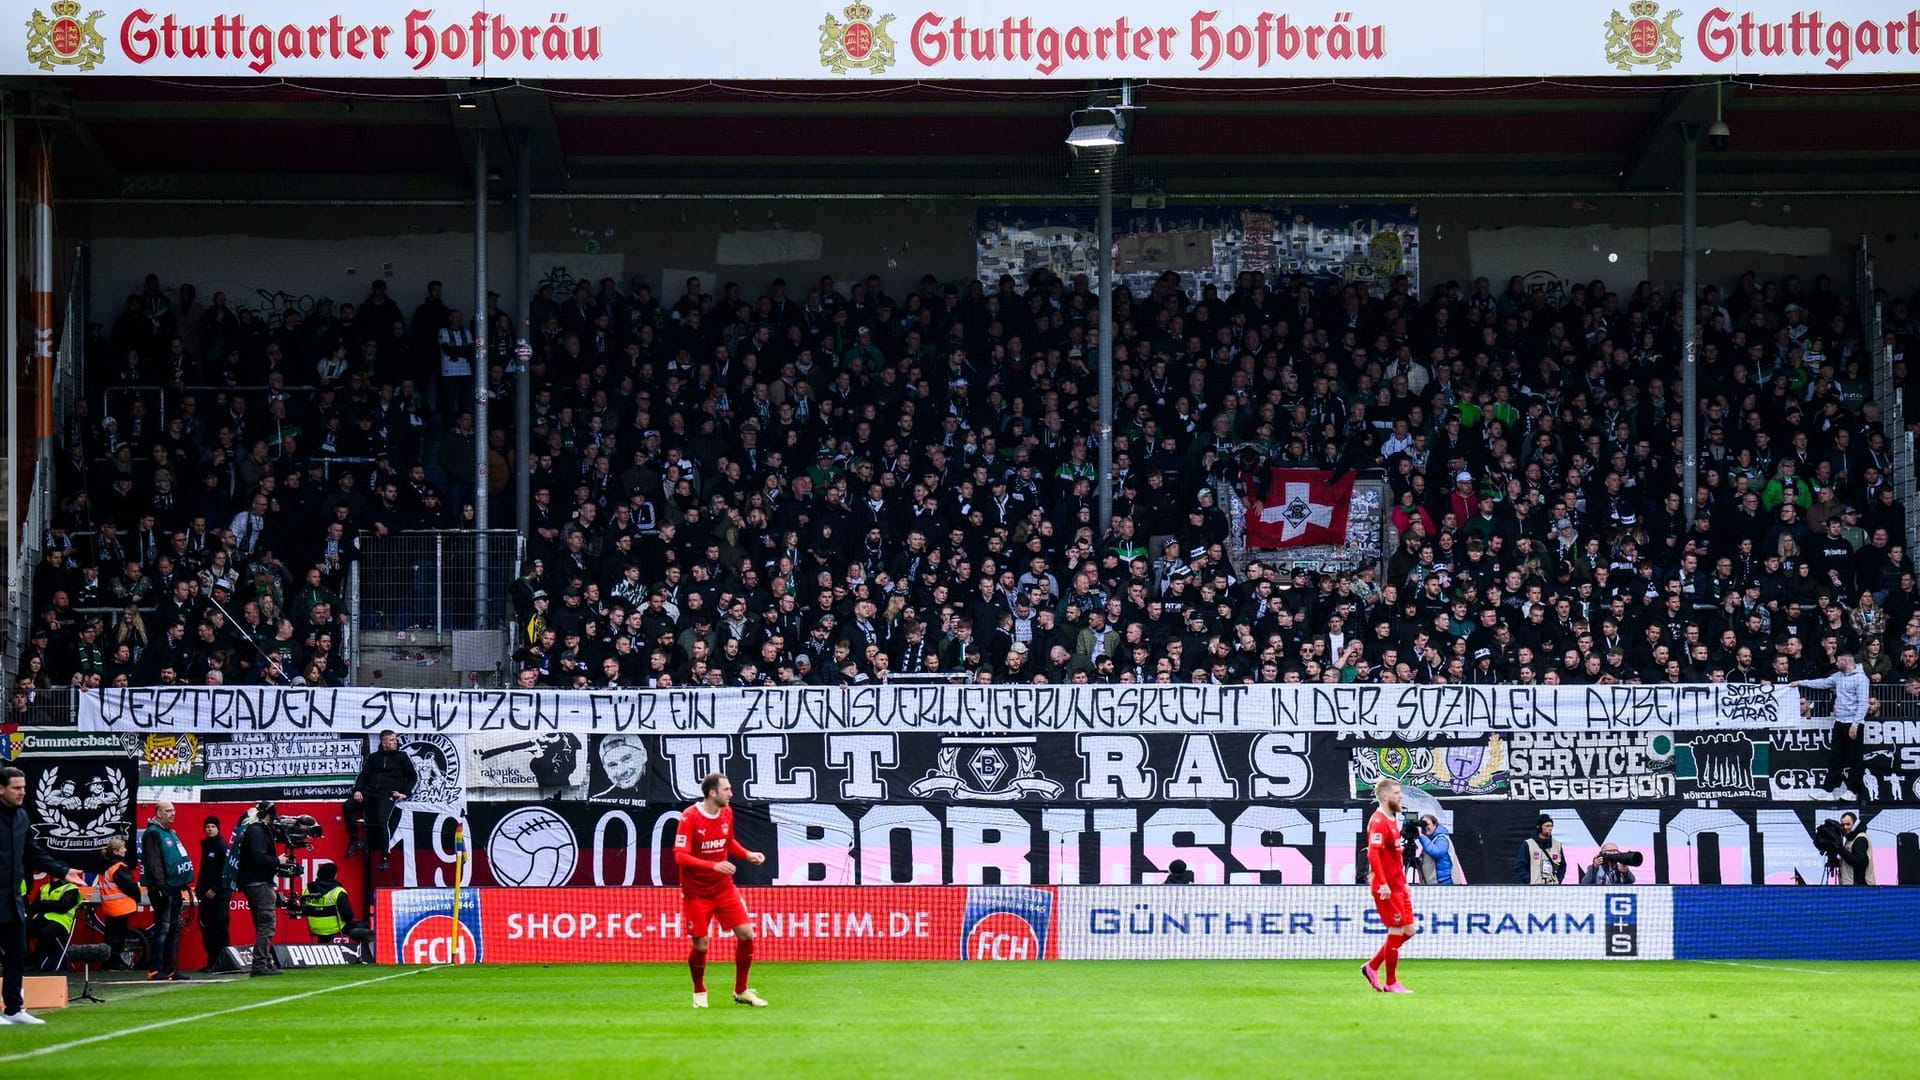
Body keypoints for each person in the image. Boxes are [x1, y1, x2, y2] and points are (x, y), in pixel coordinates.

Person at [673, 772, 767, 1009]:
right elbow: (680, 856)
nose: (731, 793)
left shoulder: (727, 812)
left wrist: (746, 854)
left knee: (746, 934)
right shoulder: (690, 817)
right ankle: (699, 991)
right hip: (696, 893)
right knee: (701, 945)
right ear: (712, 793)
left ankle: (741, 990)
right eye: (726, 789)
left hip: (723, 888)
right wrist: (713, 865)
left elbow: (728, 842)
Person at [2, 766, 85, 1025]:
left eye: (24, 788)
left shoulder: (22, 817)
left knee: (17, 954)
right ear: (1, 789)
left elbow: (34, 852)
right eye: (16, 788)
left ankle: (14, 1009)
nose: (22, 792)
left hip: (12, 899)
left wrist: (63, 870)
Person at [1361, 778, 1415, 993]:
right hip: (1387, 887)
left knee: (1409, 930)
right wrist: (1383, 884)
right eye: (1396, 793)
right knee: (1396, 929)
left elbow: (1394, 857)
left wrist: (1404, 882)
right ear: (1384, 796)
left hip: (1398, 885)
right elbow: (1373, 854)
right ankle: (1391, 982)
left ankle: (1372, 966)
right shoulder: (1378, 821)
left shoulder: (1392, 819)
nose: (1400, 796)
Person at [1797, 655, 1872, 803]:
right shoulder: (1838, 676)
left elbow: (1863, 703)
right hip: (1839, 722)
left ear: (1846, 661)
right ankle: (1829, 790)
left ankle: (1853, 790)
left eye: (1838, 661)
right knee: (1835, 757)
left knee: (1854, 758)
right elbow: (1823, 683)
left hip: (1853, 723)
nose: (1836, 663)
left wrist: (1855, 724)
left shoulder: (1861, 679)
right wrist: (1800, 682)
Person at [233, 802, 295, 976]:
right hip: (259, 883)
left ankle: (265, 962)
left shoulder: (255, 829)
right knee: (267, 924)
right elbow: (258, 857)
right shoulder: (258, 831)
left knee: (262, 924)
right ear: (269, 816)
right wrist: (277, 861)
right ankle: (260, 964)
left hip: (254, 882)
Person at [345, 730, 417, 871]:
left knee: (381, 821)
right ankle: (354, 840)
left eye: (395, 739)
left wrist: (405, 793)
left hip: (386, 794)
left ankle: (384, 858)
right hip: (369, 792)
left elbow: (413, 777)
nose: (395, 742)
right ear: (383, 743)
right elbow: (363, 776)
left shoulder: (402, 757)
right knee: (348, 807)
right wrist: (358, 790)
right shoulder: (374, 758)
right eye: (391, 740)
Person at [140, 800, 195, 981]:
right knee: (163, 929)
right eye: (168, 810)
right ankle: (155, 969)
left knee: (173, 929)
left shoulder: (169, 833)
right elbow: (154, 863)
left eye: (174, 810)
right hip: (163, 889)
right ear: (158, 813)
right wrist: (161, 886)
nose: (172, 813)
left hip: (174, 887)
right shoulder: (152, 833)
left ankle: (170, 969)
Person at [92, 836, 140, 970]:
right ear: (116, 851)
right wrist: (137, 897)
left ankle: (107, 962)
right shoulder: (119, 867)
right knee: (118, 937)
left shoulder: (104, 867)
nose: (125, 850)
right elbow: (130, 886)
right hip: (120, 907)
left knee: (110, 936)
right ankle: (114, 962)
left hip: (109, 907)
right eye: (123, 848)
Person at [197, 814, 231, 971]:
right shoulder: (206, 845)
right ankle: (211, 962)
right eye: (207, 827)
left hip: (219, 896)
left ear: (218, 829)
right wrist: (199, 890)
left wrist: (215, 889)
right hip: (205, 895)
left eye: (213, 827)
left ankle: (221, 963)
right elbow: (204, 872)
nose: (210, 829)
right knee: (207, 929)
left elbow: (226, 871)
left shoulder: (221, 846)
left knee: (219, 930)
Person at [25, 874, 81, 972]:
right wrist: (38, 914)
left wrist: (43, 903)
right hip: (42, 919)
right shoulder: (44, 887)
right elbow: (33, 907)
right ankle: (26, 961)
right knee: (23, 929)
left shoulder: (72, 888)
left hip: (61, 923)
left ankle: (36, 961)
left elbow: (62, 906)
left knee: (45, 932)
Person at [298, 863, 354, 941]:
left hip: (315, 929)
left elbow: (302, 910)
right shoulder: (338, 892)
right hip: (336, 929)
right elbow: (348, 916)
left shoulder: (306, 890)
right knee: (363, 926)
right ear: (334, 875)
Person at [1515, 814, 1568, 884]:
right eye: (1547, 826)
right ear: (1539, 827)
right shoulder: (1528, 844)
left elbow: (1562, 865)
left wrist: (1558, 880)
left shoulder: (1557, 845)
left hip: (1553, 887)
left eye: (1551, 826)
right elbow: (1520, 865)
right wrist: (1529, 880)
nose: (1550, 828)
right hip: (1535, 887)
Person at [1414, 814, 1455, 885]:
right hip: (1436, 882)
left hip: (1444, 883)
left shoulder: (1442, 839)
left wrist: (1421, 836)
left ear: (1435, 824)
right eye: (1423, 825)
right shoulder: (1430, 840)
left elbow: (1437, 852)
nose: (1425, 827)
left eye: (1427, 824)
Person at [1836, 811, 1873, 885]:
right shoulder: (1850, 839)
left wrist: (1839, 848)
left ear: (1855, 824)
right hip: (1851, 885)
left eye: (1848, 824)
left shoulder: (1860, 839)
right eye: (1843, 825)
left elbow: (1858, 861)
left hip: (1860, 887)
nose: (1845, 827)